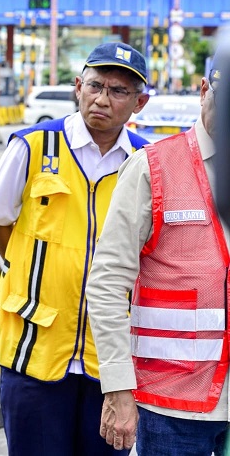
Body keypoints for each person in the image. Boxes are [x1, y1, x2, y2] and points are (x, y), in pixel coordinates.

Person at [0, 41, 151, 456]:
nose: (102, 99)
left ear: (139, 103)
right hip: (34, 349)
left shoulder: (146, 161)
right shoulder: (33, 145)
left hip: (109, 356)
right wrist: (30, 269)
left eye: (118, 91)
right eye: (95, 86)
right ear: (78, 87)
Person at [86, 51, 229, 455]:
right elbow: (107, 285)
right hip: (172, 407)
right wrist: (117, 387)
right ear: (204, 92)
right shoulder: (153, 167)